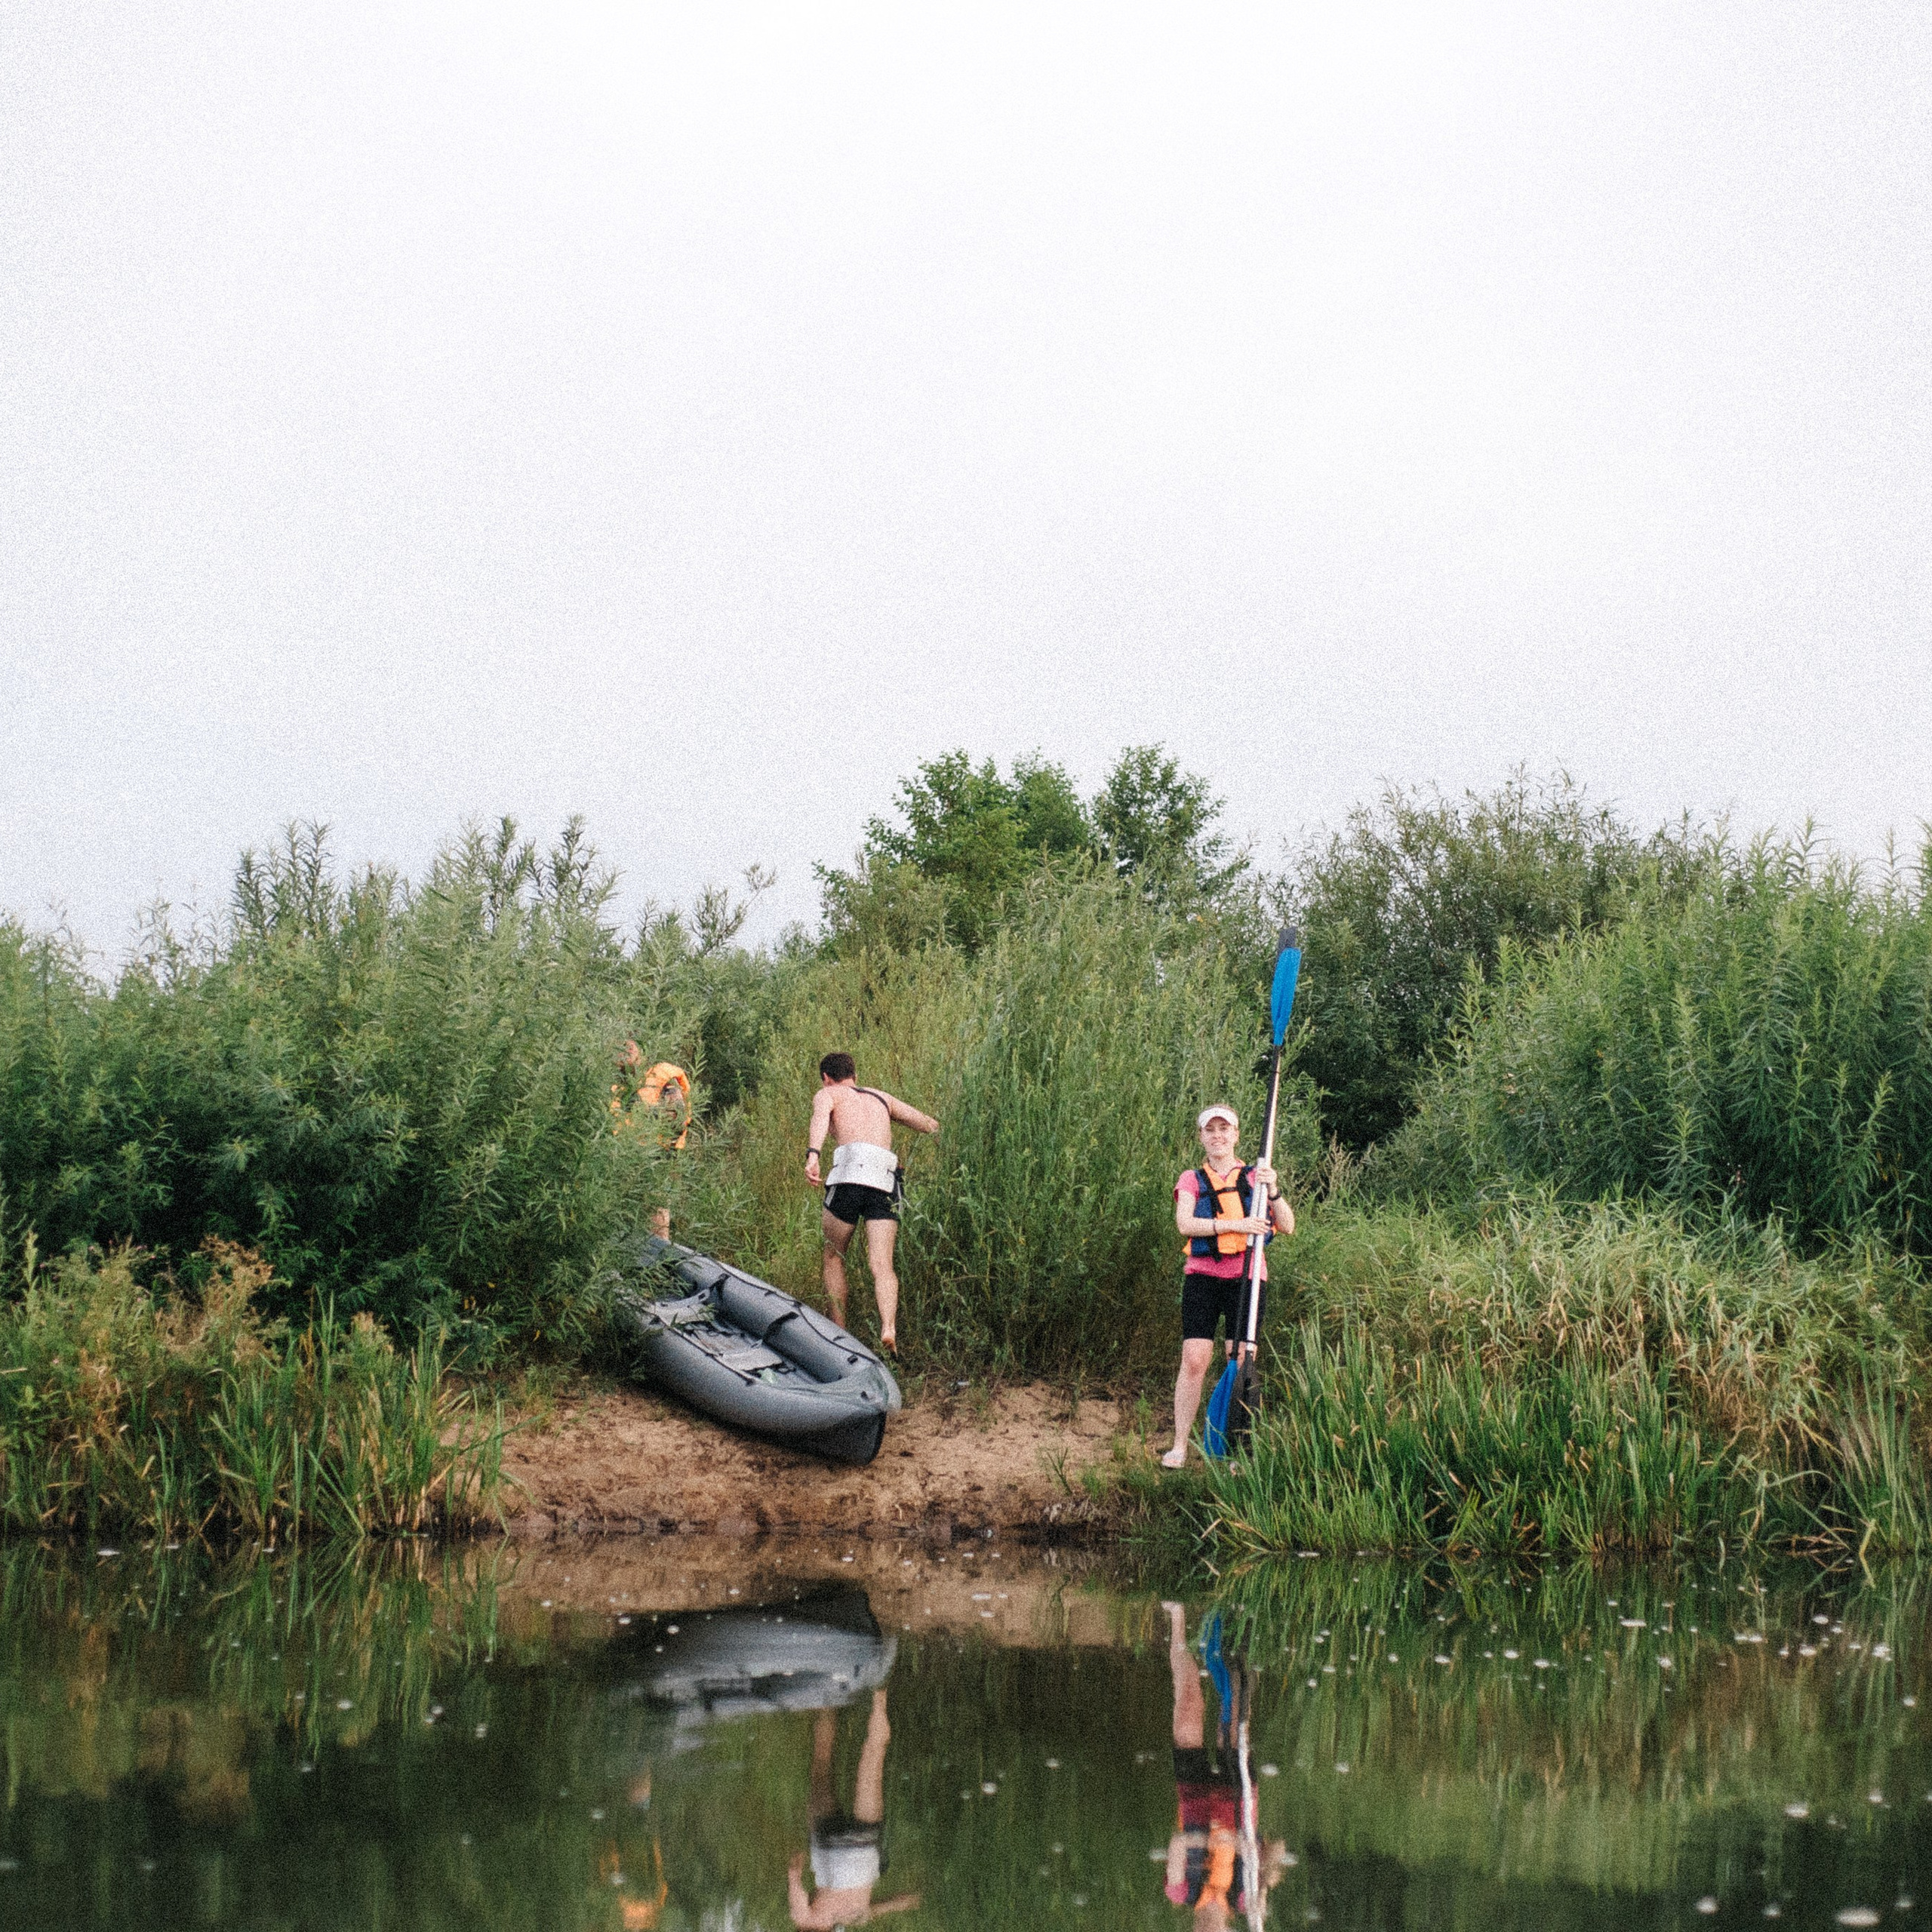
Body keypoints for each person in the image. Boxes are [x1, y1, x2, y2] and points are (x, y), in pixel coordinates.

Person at [1162, 1103, 1294, 1468]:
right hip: (1202, 1277)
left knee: (1239, 1359)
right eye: (1211, 1130)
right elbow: (1185, 1224)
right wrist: (1236, 1226)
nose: (1218, 1135)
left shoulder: (1256, 1177)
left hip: (1247, 1278)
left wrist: (1274, 1189)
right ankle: (1180, 1446)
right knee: (1194, 1360)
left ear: (1236, 1135)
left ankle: (1237, 1448)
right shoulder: (1191, 1178)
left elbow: (1289, 1224)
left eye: (1225, 1129)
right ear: (1202, 1136)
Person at [1161, 1604, 1291, 1929]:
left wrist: (1211, 1842)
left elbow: (1178, 1844)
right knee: (1233, 1708)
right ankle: (1236, 1620)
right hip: (1236, 1799)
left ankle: (1177, 1616)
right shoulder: (1245, 1900)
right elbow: (1275, 1850)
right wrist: (1261, 1866)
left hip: (1193, 1796)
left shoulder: (1181, 1892)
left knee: (1189, 1701)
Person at [804, 1053, 938, 1352]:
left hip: (851, 1172)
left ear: (827, 1077)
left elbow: (819, 1119)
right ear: (855, 1075)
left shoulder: (829, 1094)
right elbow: (928, 1124)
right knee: (882, 1264)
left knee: (833, 1256)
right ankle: (888, 1327)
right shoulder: (882, 1097)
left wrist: (813, 1154)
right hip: (885, 1178)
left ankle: (839, 1334)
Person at [787, 1690, 921, 1927]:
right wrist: (796, 1867)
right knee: (821, 1764)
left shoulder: (850, 1919)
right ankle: (828, 1695)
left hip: (861, 1852)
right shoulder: (805, 1920)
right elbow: (794, 1876)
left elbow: (869, 1912)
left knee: (873, 1760)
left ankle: (880, 1693)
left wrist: (901, 1903)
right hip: (827, 1844)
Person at [612, 1042, 691, 1240]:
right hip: (618, 1162)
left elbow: (676, 1121)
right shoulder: (613, 1085)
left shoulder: (662, 1079)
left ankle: (659, 1266)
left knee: (656, 1228)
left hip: (656, 1161)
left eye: (630, 1043)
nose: (624, 1048)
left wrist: (641, 1111)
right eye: (618, 1043)